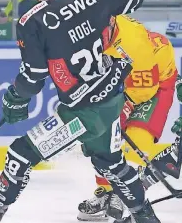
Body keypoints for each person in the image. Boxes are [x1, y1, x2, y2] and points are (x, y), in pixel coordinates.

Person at [0, 0, 163, 223]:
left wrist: (16, 99)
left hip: (84, 112)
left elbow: (34, 77)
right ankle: (147, 219)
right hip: (113, 98)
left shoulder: (32, 21)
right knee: (112, 163)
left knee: (20, 153)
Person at [77, 16, 181, 221]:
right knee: (100, 140)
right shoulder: (96, 40)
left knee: (137, 137)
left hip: (155, 91)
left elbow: (151, 89)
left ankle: (123, 195)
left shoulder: (144, 47)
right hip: (123, 91)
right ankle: (105, 192)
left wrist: (124, 107)